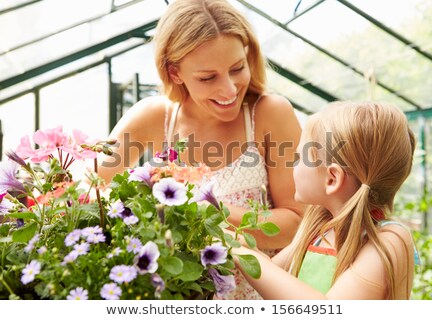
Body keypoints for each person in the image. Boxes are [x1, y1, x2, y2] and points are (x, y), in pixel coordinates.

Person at [98, 0, 304, 299]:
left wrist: (209, 211)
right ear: (174, 72)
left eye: (237, 68)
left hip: (258, 293)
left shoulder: (269, 114)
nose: (230, 89)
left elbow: (297, 223)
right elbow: (92, 193)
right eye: (208, 78)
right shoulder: (154, 117)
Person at [233, 101, 418, 299]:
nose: (292, 165)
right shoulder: (321, 229)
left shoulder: (389, 240)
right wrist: (241, 246)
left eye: (299, 157)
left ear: (332, 178)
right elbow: (273, 275)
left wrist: (245, 254)